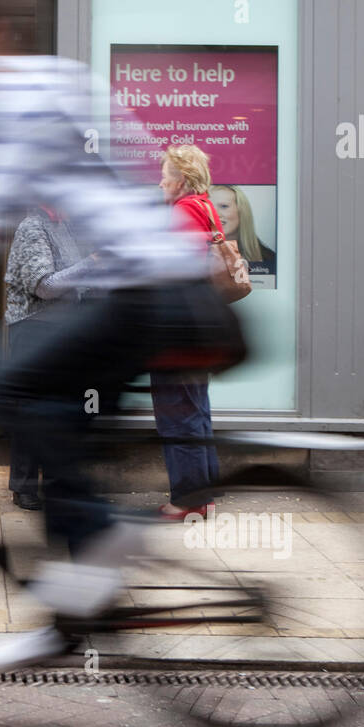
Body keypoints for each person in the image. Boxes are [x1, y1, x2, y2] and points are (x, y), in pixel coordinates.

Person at [0, 0, 245, 670]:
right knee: (49, 415)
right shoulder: (46, 82)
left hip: (146, 293)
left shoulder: (9, 98)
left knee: (14, 388)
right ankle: (76, 601)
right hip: (153, 288)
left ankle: (92, 566)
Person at [151, 145, 223, 519]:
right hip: (201, 325)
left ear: (180, 180)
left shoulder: (183, 212)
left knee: (178, 414)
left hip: (179, 329)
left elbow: (175, 272)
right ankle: (205, 492)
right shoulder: (206, 207)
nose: (160, 180)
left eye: (165, 174)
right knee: (196, 409)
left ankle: (189, 500)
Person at [4, 205, 92, 510]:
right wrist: (92, 264)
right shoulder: (32, 227)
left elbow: (71, 280)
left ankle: (56, 482)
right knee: (31, 410)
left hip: (59, 331)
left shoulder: (62, 226)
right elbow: (45, 286)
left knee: (57, 410)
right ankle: (24, 486)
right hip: (34, 329)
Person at [210, 184, 277, 277]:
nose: (215, 214)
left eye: (224, 206)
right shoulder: (193, 258)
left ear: (242, 212)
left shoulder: (270, 259)